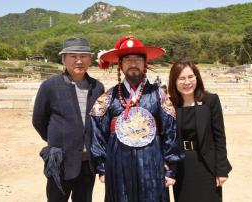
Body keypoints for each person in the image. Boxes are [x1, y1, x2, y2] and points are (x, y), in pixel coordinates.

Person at [90, 35, 184, 202]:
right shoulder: (109, 97)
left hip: (152, 161)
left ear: (145, 63)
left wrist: (171, 168)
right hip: (118, 163)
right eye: (127, 59)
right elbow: (97, 130)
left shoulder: (159, 95)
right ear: (120, 65)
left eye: (138, 60)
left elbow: (171, 130)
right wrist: (102, 167)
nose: (133, 64)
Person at [32, 37, 104, 202]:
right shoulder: (49, 86)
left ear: (90, 59)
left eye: (83, 56)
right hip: (60, 160)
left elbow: (99, 121)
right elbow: (39, 120)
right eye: (72, 56)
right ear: (64, 59)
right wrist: (56, 140)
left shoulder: (97, 87)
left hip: (87, 163)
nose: (79, 61)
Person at [168, 59, 232, 202]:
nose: (187, 82)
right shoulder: (170, 104)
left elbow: (219, 137)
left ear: (197, 77)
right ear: (174, 81)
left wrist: (221, 169)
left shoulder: (211, 100)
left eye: (191, 77)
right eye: (181, 78)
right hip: (182, 166)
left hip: (206, 164)